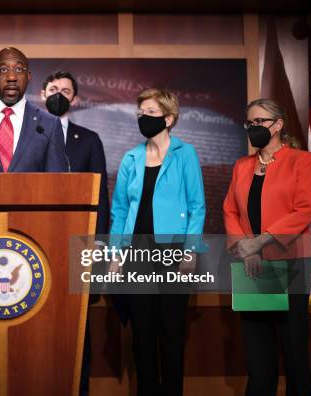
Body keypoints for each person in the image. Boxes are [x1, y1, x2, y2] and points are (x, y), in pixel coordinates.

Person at [109, 88, 205, 396]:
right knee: (142, 334)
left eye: (150, 113)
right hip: (137, 252)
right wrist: (115, 254)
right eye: (140, 113)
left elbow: (196, 206)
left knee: (172, 333)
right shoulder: (131, 157)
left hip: (174, 252)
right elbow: (120, 210)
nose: (143, 118)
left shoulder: (185, 153)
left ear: (169, 118)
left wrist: (190, 252)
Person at [223, 98, 311, 396]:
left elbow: (303, 210)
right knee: (257, 354)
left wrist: (259, 243)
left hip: (291, 263)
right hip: (251, 267)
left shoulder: (303, 161)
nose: (253, 127)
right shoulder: (242, 166)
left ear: (278, 125)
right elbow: (230, 211)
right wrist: (244, 248)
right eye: (249, 123)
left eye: (259, 121)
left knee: (294, 352)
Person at [40, 70, 109, 396]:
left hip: (79, 248)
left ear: (76, 99)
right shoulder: (27, 135)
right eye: (53, 89)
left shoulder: (89, 139)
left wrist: (100, 247)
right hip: (36, 244)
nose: (59, 94)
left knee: (78, 329)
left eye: (66, 90)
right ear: (41, 94)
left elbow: (101, 198)